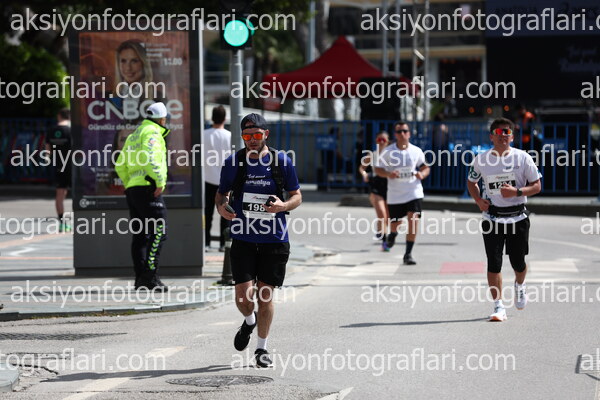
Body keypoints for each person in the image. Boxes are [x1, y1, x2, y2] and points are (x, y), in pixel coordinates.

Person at [216, 113, 302, 368]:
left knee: (265, 296)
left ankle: (261, 348)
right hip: (243, 237)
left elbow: (297, 195)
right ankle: (249, 321)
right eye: (247, 136)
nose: (252, 140)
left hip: (274, 239)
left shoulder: (281, 161)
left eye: (256, 135)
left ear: (266, 134)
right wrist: (222, 207)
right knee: (243, 299)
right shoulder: (234, 162)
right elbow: (221, 194)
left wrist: (283, 205)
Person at [467, 117, 542, 322]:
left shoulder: (523, 158)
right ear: (491, 137)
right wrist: (478, 200)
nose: (503, 136)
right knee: (494, 263)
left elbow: (537, 185)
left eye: (507, 132)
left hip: (517, 217)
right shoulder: (481, 159)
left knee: (518, 262)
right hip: (492, 218)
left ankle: (520, 285)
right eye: (499, 133)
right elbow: (471, 181)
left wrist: (517, 192)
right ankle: (498, 306)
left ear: (512, 136)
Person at [115, 102, 170, 291]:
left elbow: (120, 164)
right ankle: (150, 276)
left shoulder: (133, 135)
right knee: (159, 232)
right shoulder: (152, 133)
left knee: (140, 235)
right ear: (162, 119)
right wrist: (159, 181)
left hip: (133, 190)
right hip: (149, 188)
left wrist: (129, 182)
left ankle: (140, 279)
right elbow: (150, 157)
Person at [374, 121, 430, 265]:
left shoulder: (416, 151)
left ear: (409, 134)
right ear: (395, 135)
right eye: (399, 132)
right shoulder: (388, 151)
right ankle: (392, 235)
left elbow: (425, 167)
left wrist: (422, 174)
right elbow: (378, 169)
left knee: (413, 220)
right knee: (395, 225)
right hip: (395, 195)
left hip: (414, 192)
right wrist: (389, 174)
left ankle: (408, 254)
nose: (402, 134)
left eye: (405, 131)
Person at [203, 106, 232, 251]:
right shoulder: (230, 136)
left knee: (207, 212)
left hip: (207, 178)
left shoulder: (203, 134)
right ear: (225, 119)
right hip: (225, 180)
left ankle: (206, 243)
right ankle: (223, 244)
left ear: (212, 118)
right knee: (225, 212)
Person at [358, 131, 390, 242]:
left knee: (388, 216)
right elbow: (361, 168)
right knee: (381, 212)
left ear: (388, 142)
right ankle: (383, 236)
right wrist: (364, 174)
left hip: (389, 185)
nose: (381, 142)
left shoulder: (392, 156)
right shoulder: (372, 155)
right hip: (376, 184)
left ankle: (381, 231)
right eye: (379, 139)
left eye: (383, 140)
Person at [45, 108, 72, 232]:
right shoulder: (71, 130)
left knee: (60, 194)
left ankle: (62, 223)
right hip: (73, 165)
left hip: (59, 165)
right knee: (78, 193)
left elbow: (48, 150)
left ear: (59, 116)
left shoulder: (51, 130)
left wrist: (48, 158)